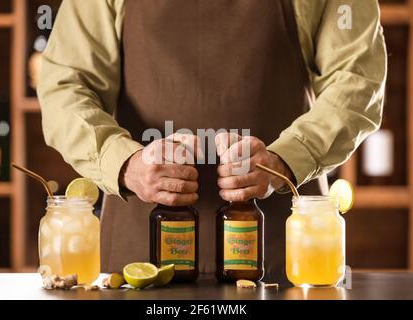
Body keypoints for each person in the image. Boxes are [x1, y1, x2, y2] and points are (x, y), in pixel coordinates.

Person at [38, 0, 387, 280]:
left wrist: (285, 160)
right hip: (140, 262)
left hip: (283, 258)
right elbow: (65, 85)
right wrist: (125, 165)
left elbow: (357, 78)